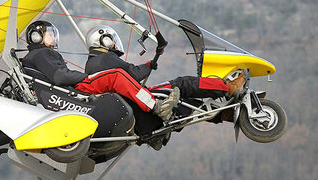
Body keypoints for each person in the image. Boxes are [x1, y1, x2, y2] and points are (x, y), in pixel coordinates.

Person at [21, 20, 179, 121]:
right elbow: (60, 76)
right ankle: (157, 106)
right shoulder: (42, 53)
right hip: (70, 90)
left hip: (62, 92)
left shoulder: (35, 56)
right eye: (50, 35)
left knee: (116, 78)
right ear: (36, 36)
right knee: (116, 76)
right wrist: (84, 77)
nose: (54, 39)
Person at [85, 25, 246, 103]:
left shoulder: (92, 62)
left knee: (184, 100)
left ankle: (223, 115)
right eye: (111, 39)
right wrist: (150, 63)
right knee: (182, 83)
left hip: (130, 100)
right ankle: (227, 87)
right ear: (103, 40)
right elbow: (134, 74)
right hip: (141, 100)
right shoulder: (106, 59)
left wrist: (151, 62)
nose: (113, 43)